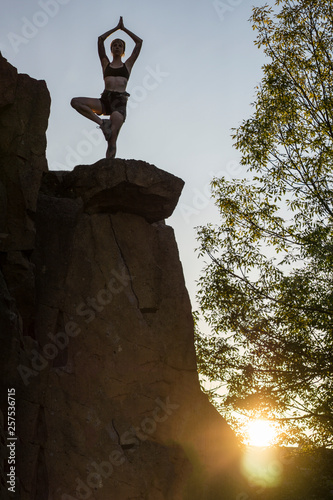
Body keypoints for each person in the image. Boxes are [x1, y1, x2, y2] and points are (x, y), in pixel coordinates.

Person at [71, 17, 142, 159]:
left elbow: (139, 43)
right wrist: (115, 28)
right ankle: (102, 123)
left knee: (112, 141)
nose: (117, 47)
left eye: (120, 45)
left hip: (119, 104)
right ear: (111, 49)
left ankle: (109, 168)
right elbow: (100, 40)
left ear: (123, 51)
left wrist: (123, 29)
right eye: (114, 45)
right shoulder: (105, 64)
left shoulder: (127, 65)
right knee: (75, 102)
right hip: (105, 100)